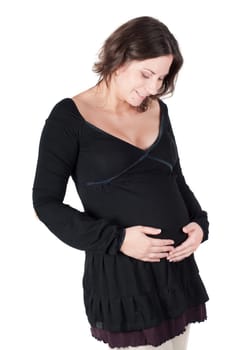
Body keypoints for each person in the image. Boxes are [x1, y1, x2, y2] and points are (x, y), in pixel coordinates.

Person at [32, 16, 209, 350]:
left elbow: (173, 178)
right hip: (124, 279)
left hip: (176, 271)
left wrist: (199, 223)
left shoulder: (157, 109)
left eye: (161, 77)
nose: (155, 87)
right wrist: (117, 239)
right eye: (146, 74)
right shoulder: (69, 119)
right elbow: (45, 204)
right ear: (119, 57)